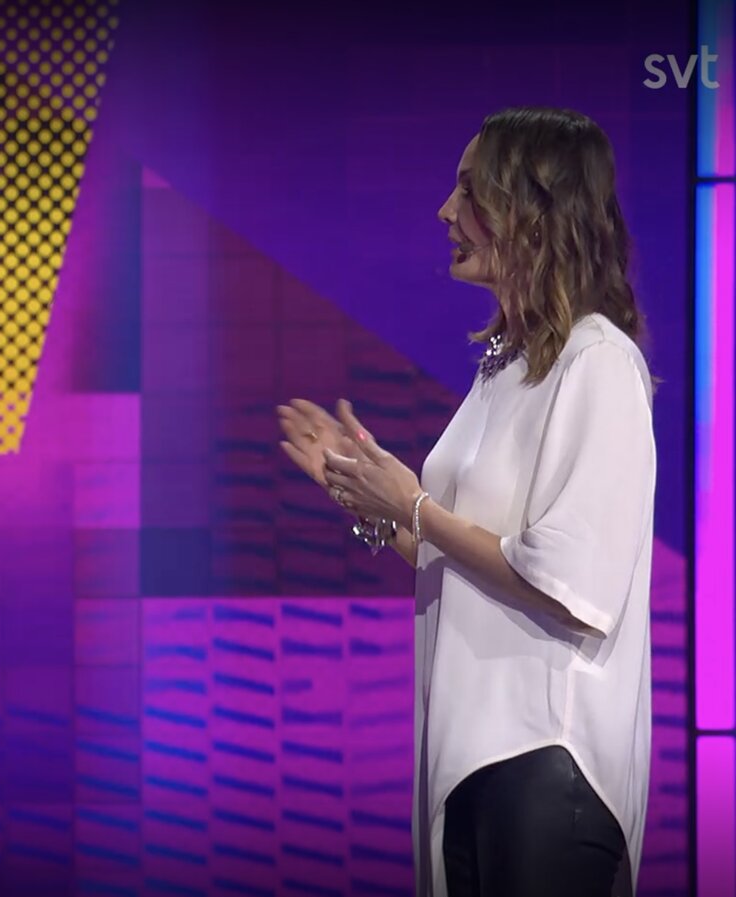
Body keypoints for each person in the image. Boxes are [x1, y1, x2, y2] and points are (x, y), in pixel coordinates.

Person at [277, 107, 655, 897]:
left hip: (548, 761)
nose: (447, 211)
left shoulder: (598, 363)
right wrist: (368, 494)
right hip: (471, 759)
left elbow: (569, 582)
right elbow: (465, 554)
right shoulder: (506, 367)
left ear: (532, 211)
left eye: (470, 190)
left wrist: (415, 506)